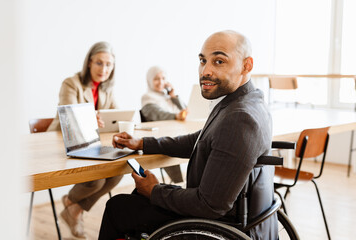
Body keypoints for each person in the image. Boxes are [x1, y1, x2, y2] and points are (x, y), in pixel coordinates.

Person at [98, 30, 277, 240]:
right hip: (239, 215)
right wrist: (143, 143)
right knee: (136, 199)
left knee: (118, 207)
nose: (205, 71)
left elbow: (210, 205)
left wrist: (155, 190)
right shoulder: (247, 101)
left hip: (217, 225)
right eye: (203, 61)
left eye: (219, 61)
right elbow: (199, 140)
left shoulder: (239, 117)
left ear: (247, 66)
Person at [48, 42, 122, 239]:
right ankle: (71, 205)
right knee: (96, 179)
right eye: (99, 63)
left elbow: (115, 115)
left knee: (117, 172)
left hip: (90, 144)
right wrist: (90, 119)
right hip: (62, 142)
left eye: (108, 65)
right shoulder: (71, 83)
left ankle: (74, 208)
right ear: (89, 62)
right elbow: (69, 115)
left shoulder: (107, 89)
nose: (103, 69)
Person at [140, 66, 188, 183]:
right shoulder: (147, 97)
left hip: (176, 132)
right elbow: (158, 115)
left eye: (163, 78)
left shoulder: (168, 97)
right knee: (172, 145)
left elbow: (186, 111)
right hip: (161, 138)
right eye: (156, 79)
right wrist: (176, 116)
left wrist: (174, 96)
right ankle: (179, 183)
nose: (161, 82)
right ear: (149, 80)